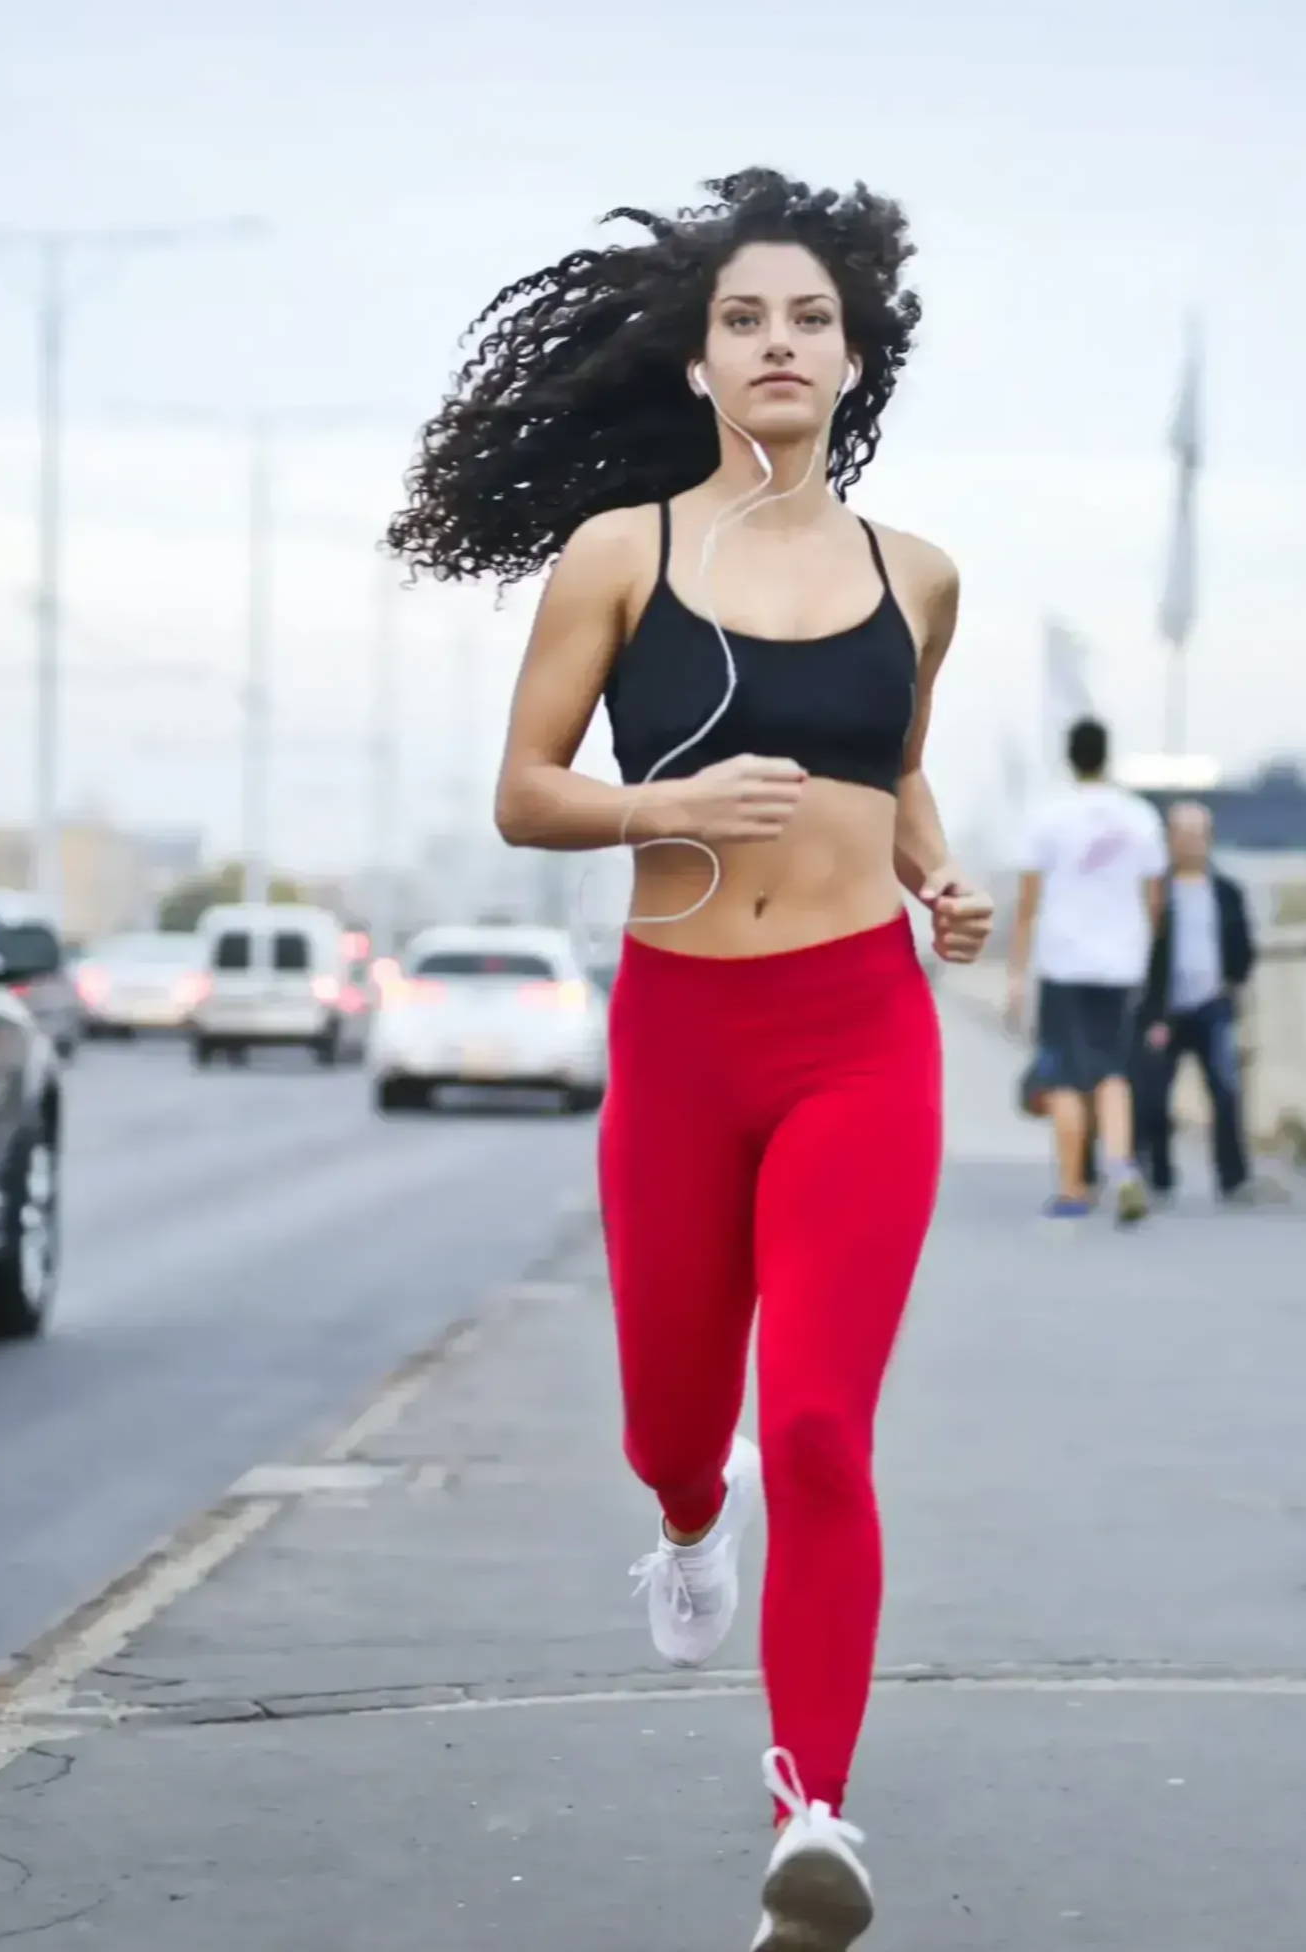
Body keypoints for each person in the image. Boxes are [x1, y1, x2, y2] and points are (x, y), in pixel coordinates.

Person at [387, 168, 994, 1951]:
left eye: (809, 316)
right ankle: (678, 1519)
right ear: (700, 365)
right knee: (678, 1416)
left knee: (813, 1421)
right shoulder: (621, 555)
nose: (779, 342)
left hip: (858, 1036)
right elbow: (522, 791)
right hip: (681, 1029)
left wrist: (936, 879)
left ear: (853, 351)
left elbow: (891, 771)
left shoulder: (920, 575)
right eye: (746, 319)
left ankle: (812, 1812)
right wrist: (663, 802)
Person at [1006, 718, 1166, 1223]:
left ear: (1070, 756)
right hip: (1121, 963)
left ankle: (1074, 1188)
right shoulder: (1139, 817)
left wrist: (1016, 972)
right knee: (1113, 1071)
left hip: (1064, 960)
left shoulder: (1050, 816)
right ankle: (1122, 1167)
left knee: (1067, 1077)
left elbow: (1028, 903)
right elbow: (1155, 901)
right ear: (1107, 755)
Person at [1135, 801, 1255, 1201]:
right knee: (1153, 1096)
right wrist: (1151, 1012)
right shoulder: (1155, 892)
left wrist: (1233, 983)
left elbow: (1242, 947)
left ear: (1209, 839)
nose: (1190, 843)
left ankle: (1233, 1178)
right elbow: (1144, 953)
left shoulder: (1226, 892)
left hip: (1212, 1006)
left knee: (1225, 1091)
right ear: (1169, 840)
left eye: (1197, 834)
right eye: (1181, 834)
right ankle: (1159, 1174)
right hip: (1164, 1011)